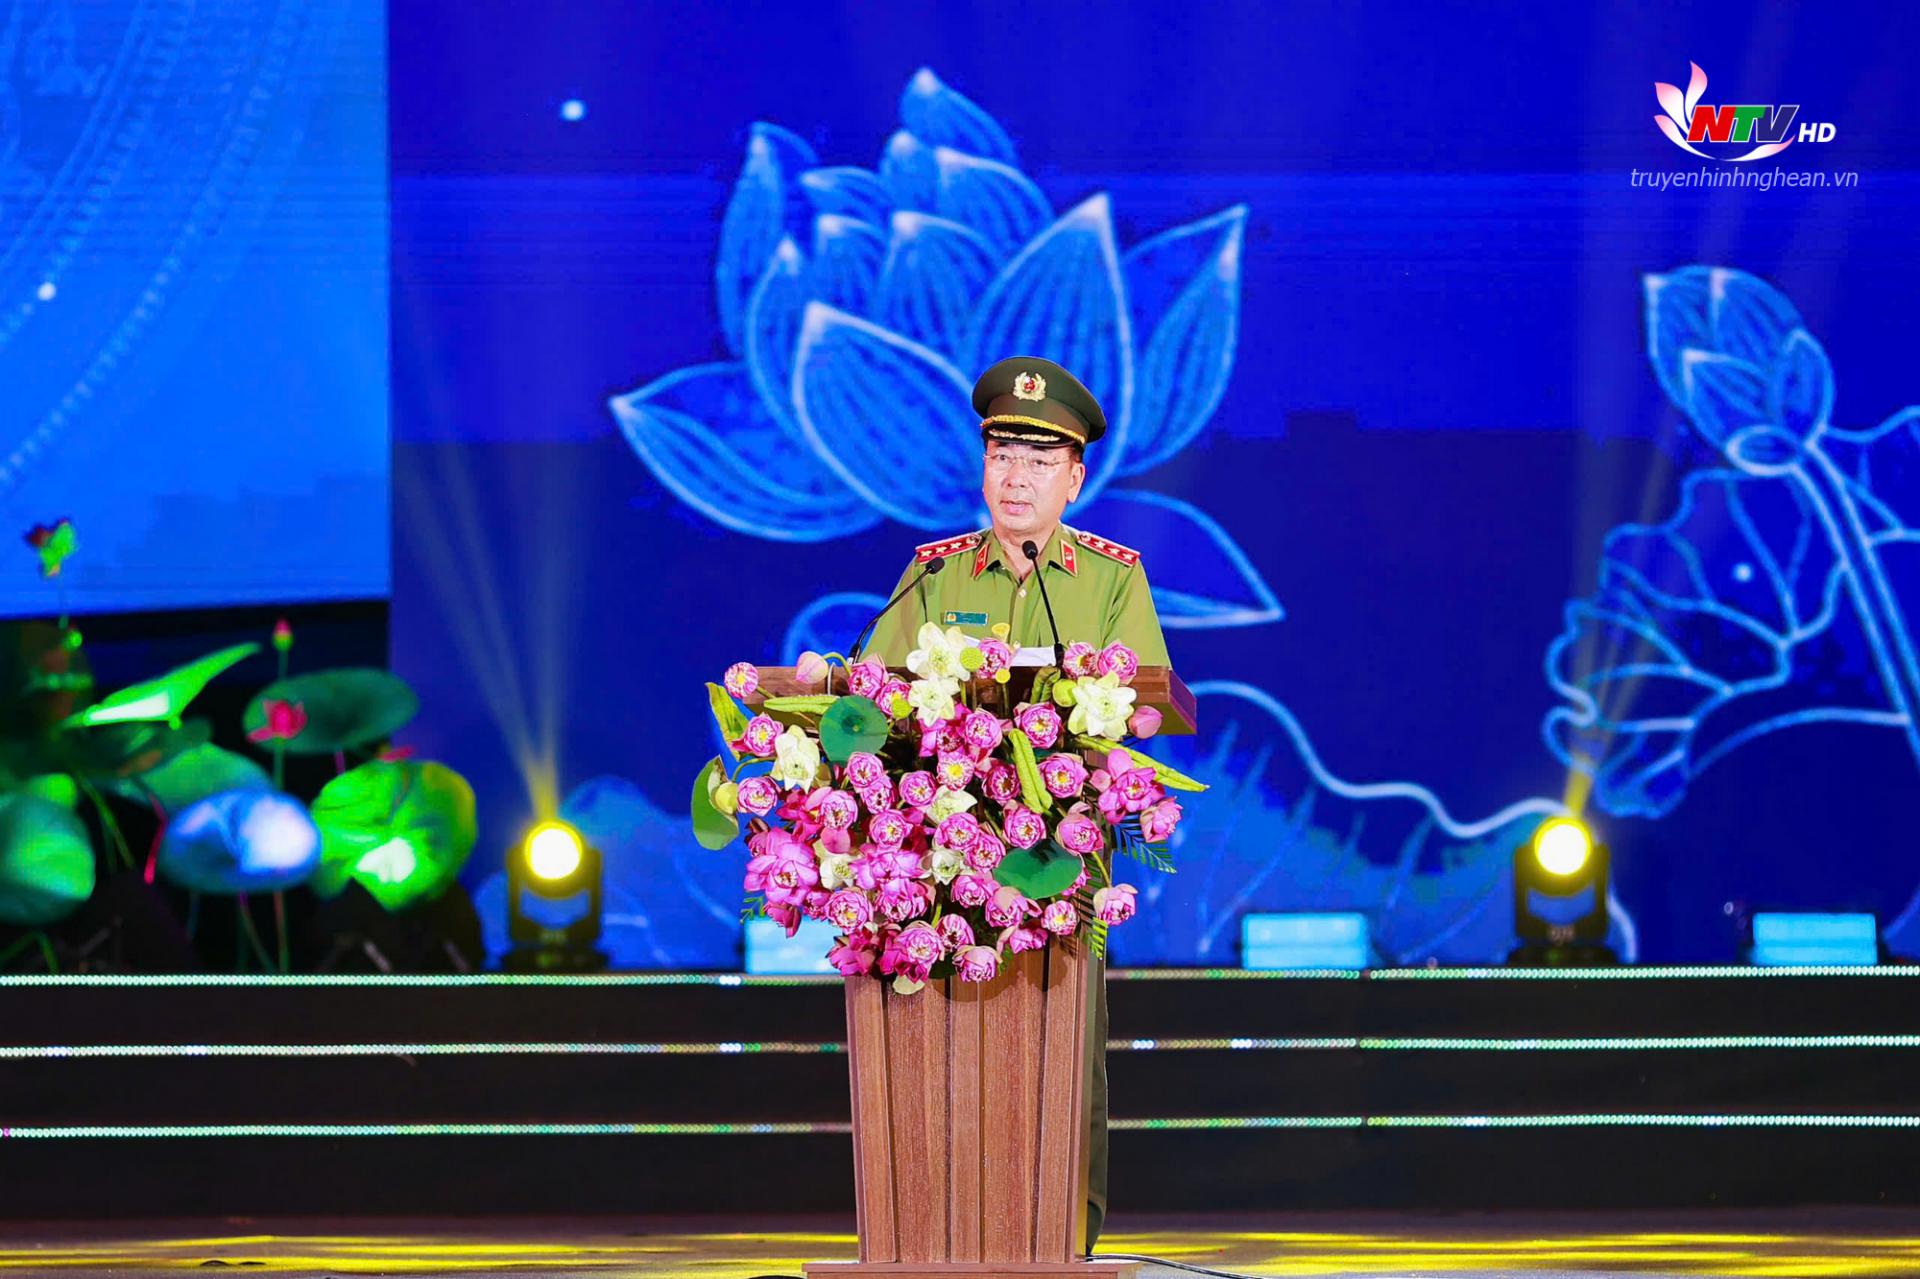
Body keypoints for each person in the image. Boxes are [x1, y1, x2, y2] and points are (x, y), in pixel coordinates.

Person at [861, 355, 1172, 1254]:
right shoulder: (932, 575)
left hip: (1059, 854)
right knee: (938, 1043)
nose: (1017, 476)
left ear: (1075, 478)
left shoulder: (1110, 579)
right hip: (939, 854)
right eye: (1002, 455)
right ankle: (929, 1234)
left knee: (1065, 1053)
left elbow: (1144, 708)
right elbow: (870, 697)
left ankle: (1065, 1237)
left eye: (1039, 460)